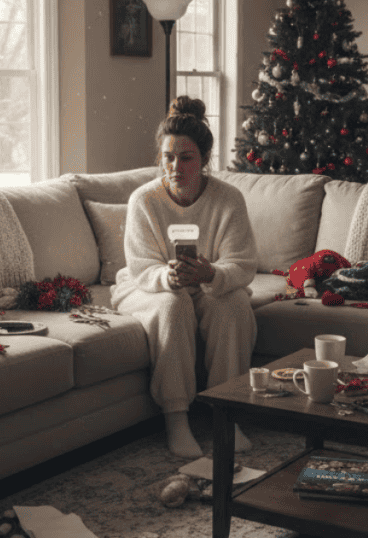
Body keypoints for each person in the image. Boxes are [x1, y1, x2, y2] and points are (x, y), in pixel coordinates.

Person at [111, 96, 258, 458]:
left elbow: (242, 264)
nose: (175, 167)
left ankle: (226, 415)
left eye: (186, 158)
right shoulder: (144, 200)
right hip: (147, 285)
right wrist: (168, 277)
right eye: (168, 157)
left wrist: (211, 273)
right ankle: (176, 419)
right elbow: (141, 266)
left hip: (208, 282)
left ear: (204, 159)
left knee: (233, 305)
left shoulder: (228, 199)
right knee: (173, 304)